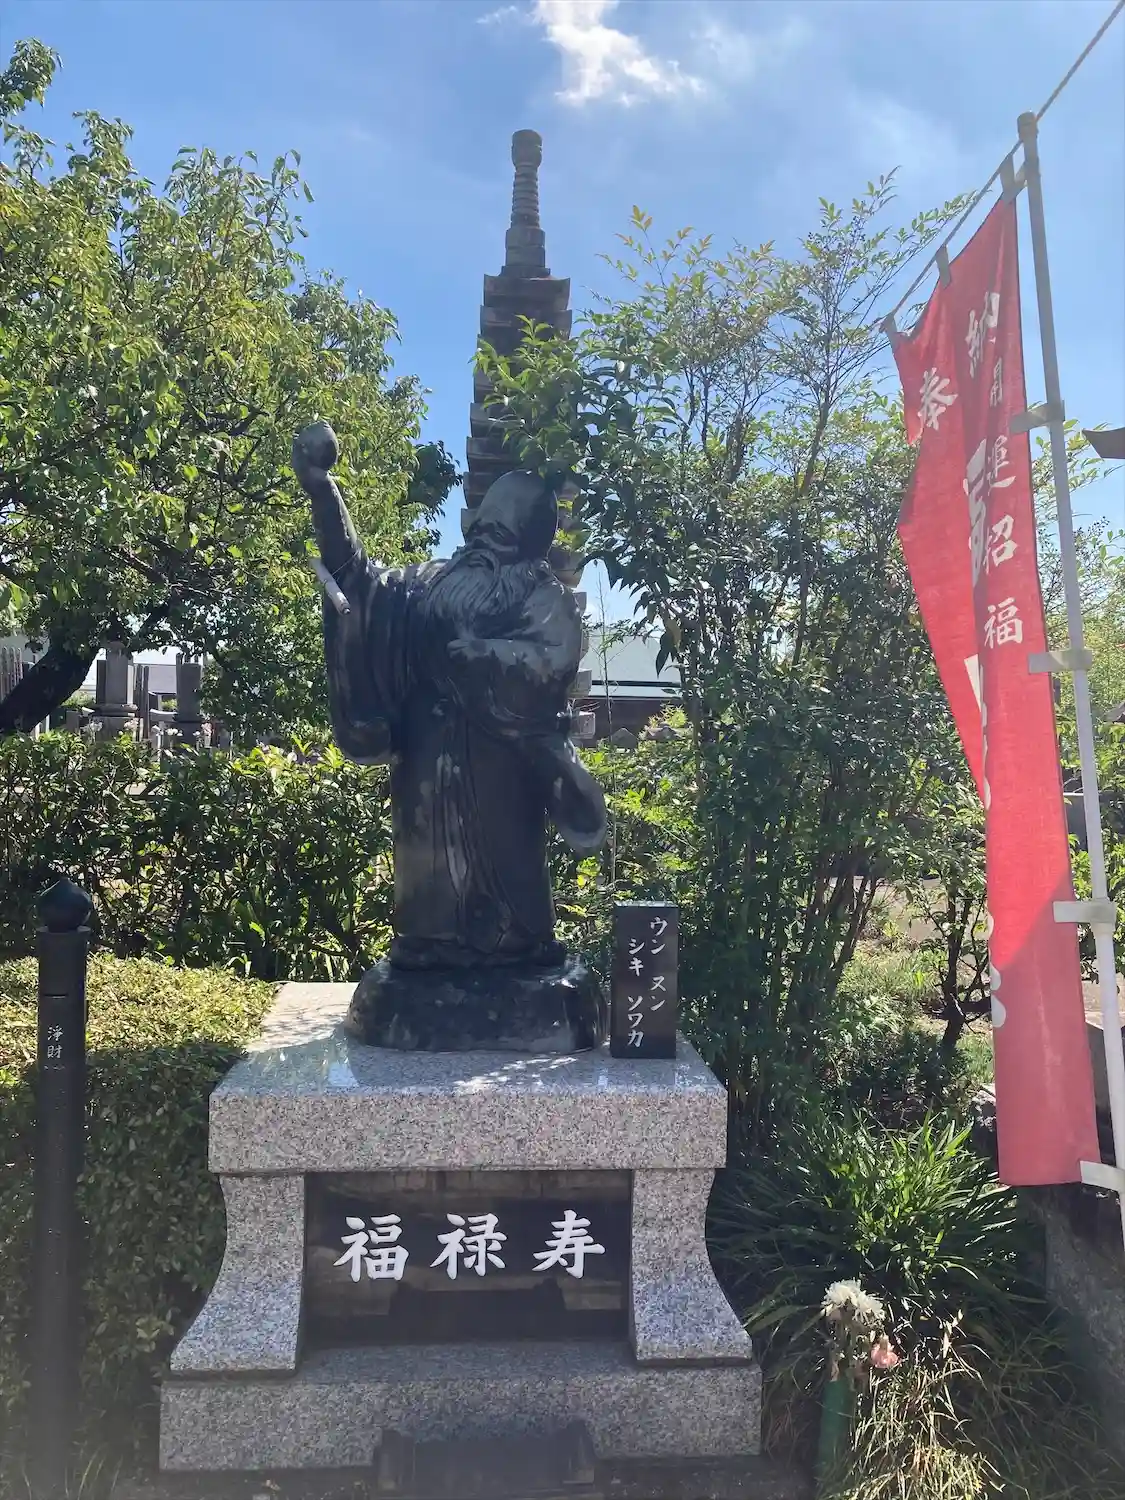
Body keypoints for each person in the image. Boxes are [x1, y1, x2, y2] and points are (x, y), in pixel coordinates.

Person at [292, 420, 605, 975]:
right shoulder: (428, 584)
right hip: (427, 760)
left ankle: (520, 947)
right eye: (483, 530)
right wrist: (324, 493)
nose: (485, 544)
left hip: (503, 760)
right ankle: (426, 946)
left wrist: (484, 654)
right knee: (427, 883)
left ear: (528, 546)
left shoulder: (542, 596)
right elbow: (361, 585)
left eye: (501, 536)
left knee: (512, 872)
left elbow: (554, 659)